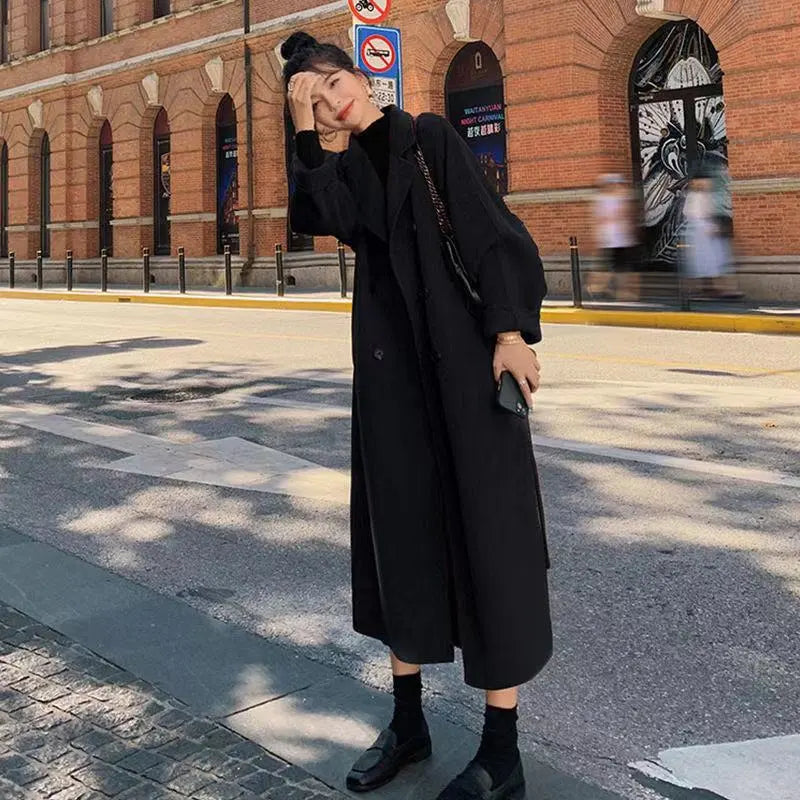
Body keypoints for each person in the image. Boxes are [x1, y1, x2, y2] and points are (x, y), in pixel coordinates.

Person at [283, 31, 551, 800]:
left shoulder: (428, 138)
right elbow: (315, 213)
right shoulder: (338, 170)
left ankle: (501, 752)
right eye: (316, 101)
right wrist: (303, 134)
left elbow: (490, 232)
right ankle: (408, 724)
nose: (333, 103)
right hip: (393, 385)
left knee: (491, 545)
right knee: (399, 541)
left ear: (361, 79)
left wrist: (509, 333)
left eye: (335, 84)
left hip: (466, 372)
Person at [682, 171, 733, 298]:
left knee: (711, 260)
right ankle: (704, 289)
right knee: (706, 261)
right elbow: (693, 214)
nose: (706, 183)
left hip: (707, 231)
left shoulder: (705, 195)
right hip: (701, 233)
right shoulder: (694, 196)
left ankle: (711, 288)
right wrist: (708, 228)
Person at [592, 173, 639, 300]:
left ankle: (610, 289)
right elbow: (608, 217)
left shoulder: (616, 197)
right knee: (616, 266)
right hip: (612, 239)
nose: (618, 186)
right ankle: (599, 288)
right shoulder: (605, 199)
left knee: (617, 266)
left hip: (618, 239)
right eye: (616, 184)